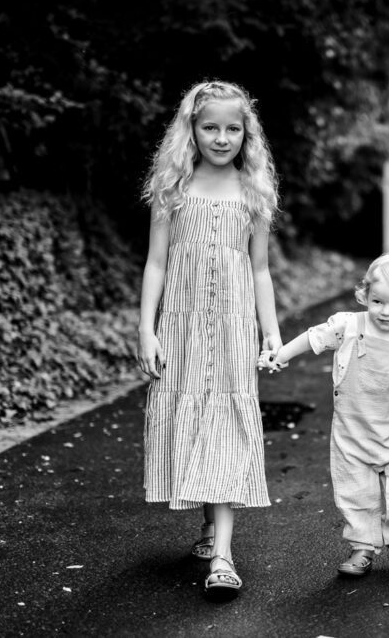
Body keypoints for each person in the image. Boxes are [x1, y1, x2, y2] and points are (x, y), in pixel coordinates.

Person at [136, 80, 282, 594]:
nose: (222, 138)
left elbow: (260, 268)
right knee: (190, 413)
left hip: (234, 326)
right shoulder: (172, 187)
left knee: (224, 417)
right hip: (180, 323)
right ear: (192, 130)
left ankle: (223, 555)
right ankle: (207, 519)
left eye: (233, 128)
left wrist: (271, 332)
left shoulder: (254, 188)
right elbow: (156, 263)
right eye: (210, 127)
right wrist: (145, 329)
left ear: (247, 133)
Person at [259, 254, 389, 576]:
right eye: (377, 301)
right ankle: (362, 547)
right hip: (351, 434)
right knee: (356, 495)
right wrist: (282, 354)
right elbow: (313, 338)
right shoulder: (349, 326)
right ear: (364, 295)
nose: (385, 311)